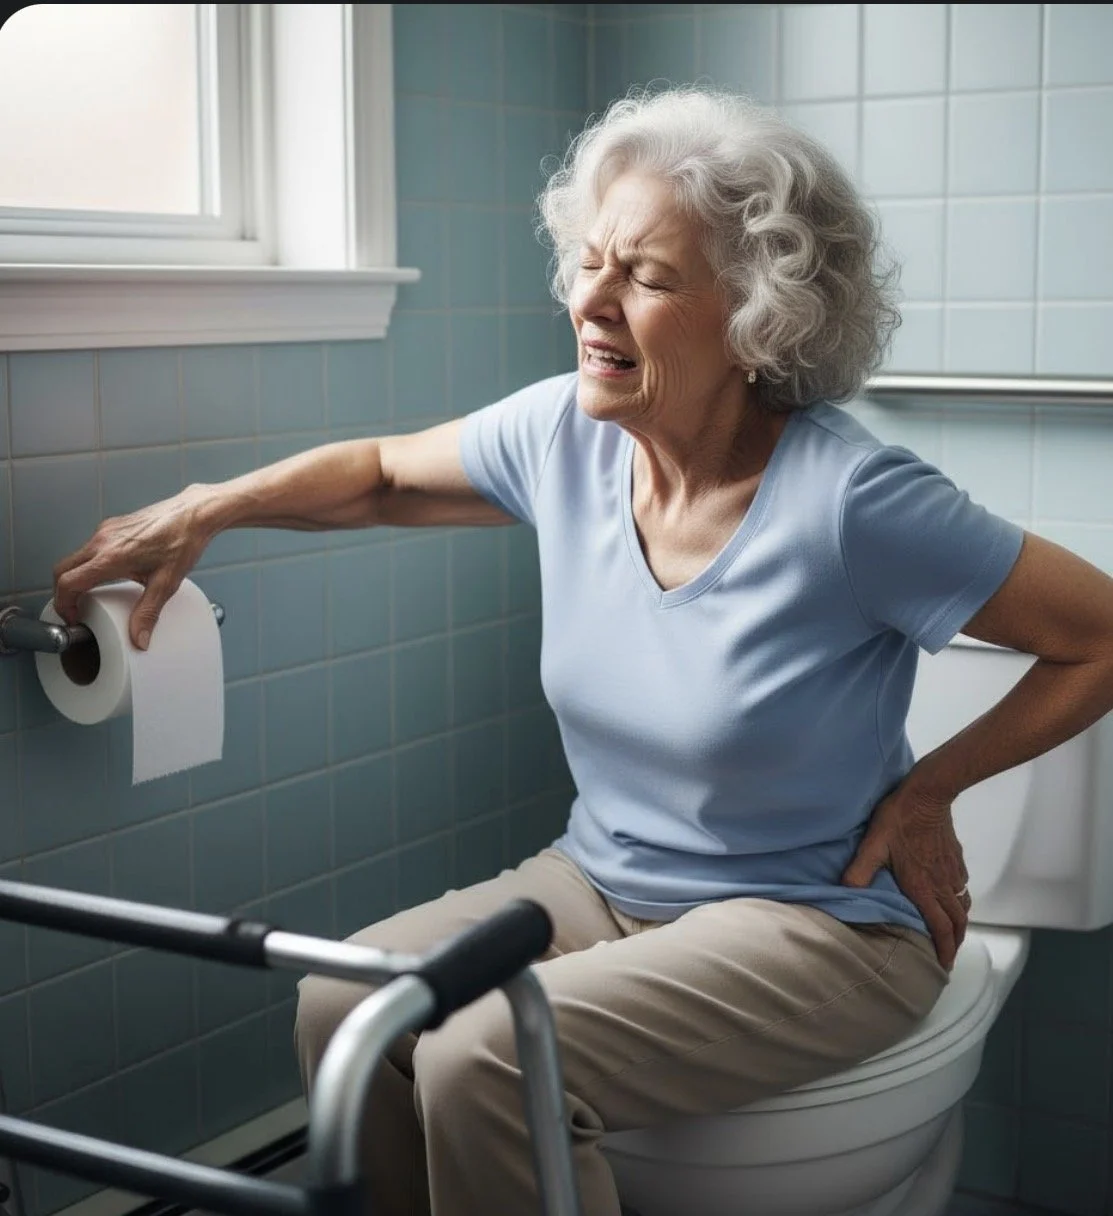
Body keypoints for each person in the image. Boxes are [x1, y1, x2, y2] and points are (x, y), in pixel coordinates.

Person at [54, 89, 1113, 1216]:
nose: (589, 301)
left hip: (820, 919)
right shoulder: (566, 432)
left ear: (759, 317)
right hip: (602, 878)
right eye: (590, 262)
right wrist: (207, 506)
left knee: (485, 1056)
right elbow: (378, 472)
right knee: (348, 1004)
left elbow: (1098, 634)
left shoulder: (856, 501)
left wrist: (932, 790)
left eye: (647, 277)